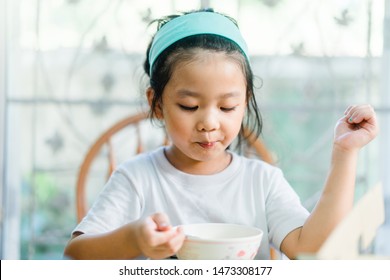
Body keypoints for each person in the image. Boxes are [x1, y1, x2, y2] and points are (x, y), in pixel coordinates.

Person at [63, 9, 379, 260]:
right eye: (189, 106)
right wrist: (133, 239)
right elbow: (76, 256)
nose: (209, 123)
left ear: (245, 104)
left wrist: (345, 153)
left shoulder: (262, 181)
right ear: (156, 104)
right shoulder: (137, 178)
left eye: (227, 107)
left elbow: (312, 250)